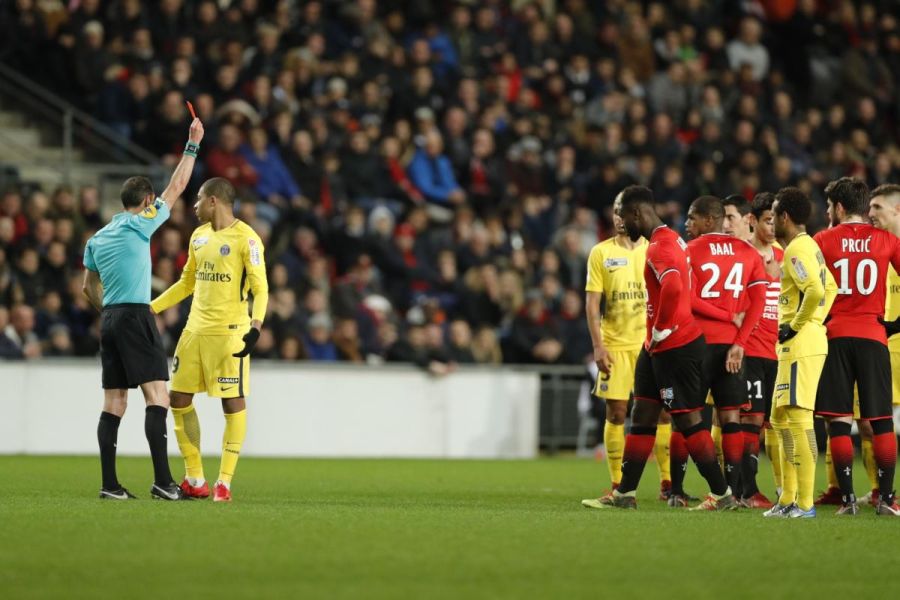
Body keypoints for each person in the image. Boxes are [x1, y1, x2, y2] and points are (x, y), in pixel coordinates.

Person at [592, 185, 737, 511]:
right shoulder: (669, 241)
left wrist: (661, 328)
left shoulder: (661, 248)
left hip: (676, 347)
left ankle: (722, 493)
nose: (619, 221)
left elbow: (673, 288)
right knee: (641, 414)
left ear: (637, 214)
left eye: (622, 214)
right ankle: (624, 493)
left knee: (687, 421)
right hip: (655, 347)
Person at [82, 116, 204, 500]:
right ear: (147, 201)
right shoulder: (141, 224)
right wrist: (193, 144)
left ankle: (110, 485)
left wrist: (107, 313)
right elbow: (179, 185)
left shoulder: (98, 238)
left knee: (114, 402)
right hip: (136, 314)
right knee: (158, 396)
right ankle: (164, 483)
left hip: (111, 317)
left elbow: (87, 287)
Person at [150, 177, 269, 503]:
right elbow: (186, 282)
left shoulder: (248, 239)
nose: (194, 205)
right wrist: (153, 307)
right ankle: (196, 478)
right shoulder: (198, 236)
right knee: (178, 399)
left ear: (214, 200)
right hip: (194, 332)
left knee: (232, 402)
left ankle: (224, 483)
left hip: (230, 334)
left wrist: (255, 327)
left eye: (199, 199)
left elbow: (261, 288)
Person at [812, 178, 900, 516]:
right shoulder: (887, 240)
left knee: (838, 421)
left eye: (830, 205)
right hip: (874, 337)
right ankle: (888, 499)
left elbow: (811, 289)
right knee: (879, 422)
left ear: (839, 207)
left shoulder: (823, 240)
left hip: (835, 337)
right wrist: (895, 324)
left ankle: (847, 500)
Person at [581, 192, 674, 509]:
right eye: (615, 212)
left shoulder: (654, 249)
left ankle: (667, 481)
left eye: (624, 212)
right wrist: (598, 345)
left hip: (650, 343)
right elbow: (593, 303)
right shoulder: (601, 253)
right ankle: (618, 483)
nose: (619, 218)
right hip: (616, 345)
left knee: (663, 412)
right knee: (617, 412)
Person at [680, 196, 766, 507]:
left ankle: (679, 490)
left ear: (707, 220)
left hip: (697, 343)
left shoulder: (690, 251)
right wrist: (741, 342)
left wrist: (724, 317)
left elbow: (687, 299)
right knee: (731, 417)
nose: (687, 224)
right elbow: (758, 302)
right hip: (732, 347)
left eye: (692, 218)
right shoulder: (748, 252)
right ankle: (735, 493)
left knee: (688, 416)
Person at [764, 187, 837, 519]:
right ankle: (789, 498)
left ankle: (805, 504)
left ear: (784, 217)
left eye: (773, 214)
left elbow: (817, 289)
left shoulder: (796, 250)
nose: (770, 221)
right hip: (796, 344)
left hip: (800, 345)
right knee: (780, 419)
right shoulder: (810, 247)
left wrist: (797, 324)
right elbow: (831, 287)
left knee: (798, 419)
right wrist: (815, 320)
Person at [743, 192, 784, 506]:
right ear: (753, 221)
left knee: (777, 422)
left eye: (776, 220)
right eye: (768, 220)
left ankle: (785, 489)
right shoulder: (743, 256)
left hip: (779, 349)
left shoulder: (786, 254)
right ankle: (747, 488)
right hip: (752, 350)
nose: (772, 227)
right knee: (751, 420)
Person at [867, 184, 900, 507]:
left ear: (896, 210)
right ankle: (882, 491)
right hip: (879, 347)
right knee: (871, 423)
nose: (871, 214)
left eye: (877, 207)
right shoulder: (874, 248)